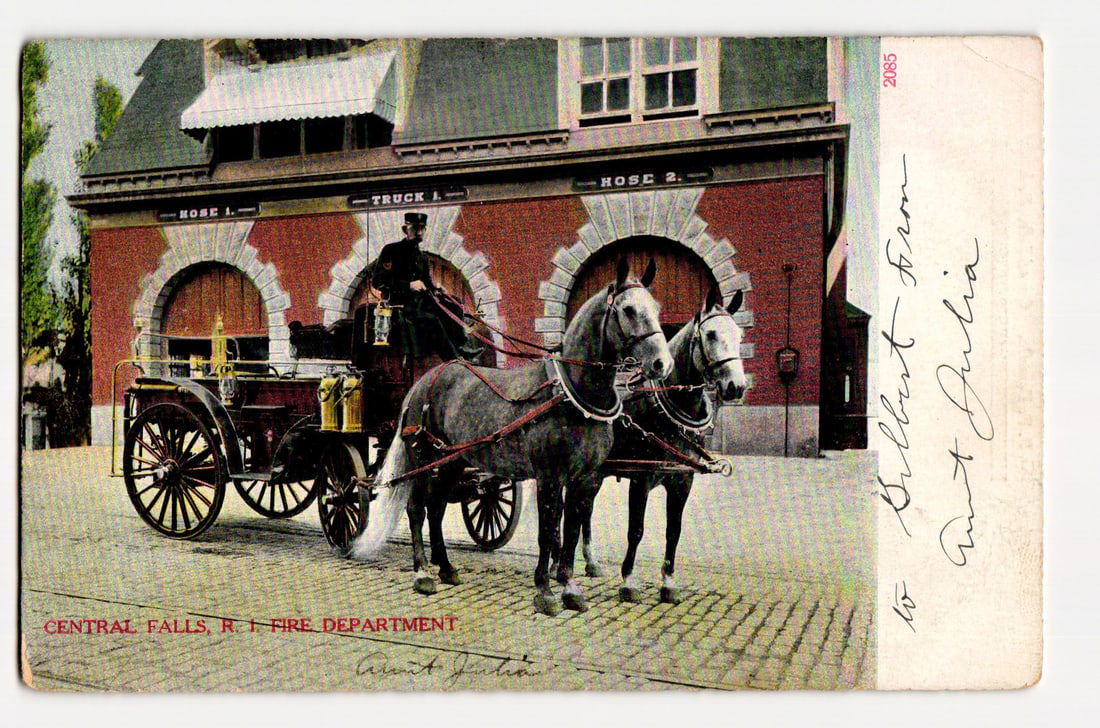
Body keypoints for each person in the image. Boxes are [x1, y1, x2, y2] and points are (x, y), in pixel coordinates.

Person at [369, 212, 481, 361]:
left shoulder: (421, 257)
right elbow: (378, 281)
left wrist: (437, 289)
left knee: (455, 306)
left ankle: (461, 346)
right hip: (400, 305)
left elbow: (427, 283)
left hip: (422, 302)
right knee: (431, 319)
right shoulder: (391, 250)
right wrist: (408, 285)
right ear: (405, 229)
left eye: (422, 228)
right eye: (415, 228)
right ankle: (452, 358)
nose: (419, 232)